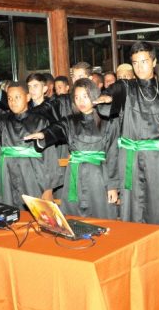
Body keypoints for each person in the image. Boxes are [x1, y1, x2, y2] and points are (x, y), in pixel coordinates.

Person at [95, 41, 159, 237]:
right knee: (132, 214)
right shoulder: (126, 88)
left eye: (144, 61)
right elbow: (116, 90)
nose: (139, 67)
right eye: (135, 63)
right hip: (132, 162)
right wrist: (107, 95)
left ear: (154, 62)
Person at [25, 78, 120, 219]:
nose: (80, 101)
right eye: (77, 97)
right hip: (74, 175)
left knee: (102, 215)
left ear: (94, 96)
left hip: (99, 176)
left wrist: (113, 185)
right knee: (73, 216)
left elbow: (113, 153)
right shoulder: (70, 121)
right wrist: (43, 134)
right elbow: (56, 129)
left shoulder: (108, 121)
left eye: (85, 96)